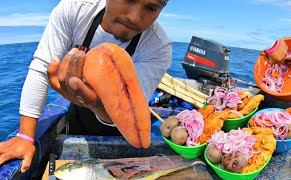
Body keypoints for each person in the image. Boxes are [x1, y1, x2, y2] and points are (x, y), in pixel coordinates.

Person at [0, 0, 172, 173]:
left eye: (151, 7)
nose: (134, 18)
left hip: (119, 127)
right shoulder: (74, 10)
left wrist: (95, 105)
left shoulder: (158, 47)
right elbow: (41, 69)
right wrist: (25, 137)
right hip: (77, 115)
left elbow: (131, 112)